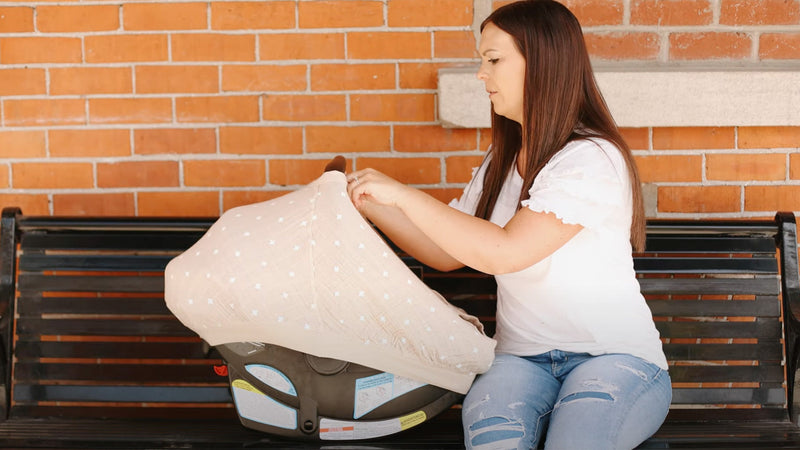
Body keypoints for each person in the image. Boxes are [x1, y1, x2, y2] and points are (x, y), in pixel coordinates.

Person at [345, 0, 671, 448]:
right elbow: (444, 251)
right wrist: (366, 202)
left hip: (614, 357)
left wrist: (403, 194)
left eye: (494, 60)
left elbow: (505, 250)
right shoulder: (502, 161)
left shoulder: (591, 158)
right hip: (520, 360)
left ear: (542, 63)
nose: (482, 75)